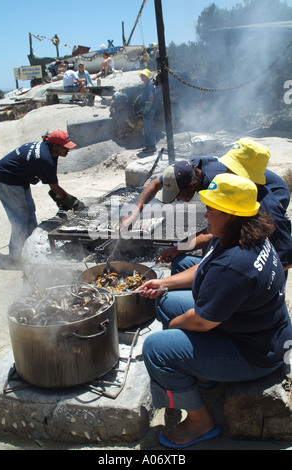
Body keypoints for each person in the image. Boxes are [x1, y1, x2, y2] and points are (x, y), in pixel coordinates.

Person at [139, 173, 292, 448]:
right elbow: (205, 266)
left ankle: (201, 422)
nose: (206, 213)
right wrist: (164, 282)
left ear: (232, 214)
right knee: (164, 300)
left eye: (212, 208)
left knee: (157, 348)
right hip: (252, 327)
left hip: (257, 352)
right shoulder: (239, 234)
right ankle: (206, 374)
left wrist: (175, 327)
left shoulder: (235, 264)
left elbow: (201, 321)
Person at [121, 138, 292, 273]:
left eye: (177, 195)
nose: (177, 200)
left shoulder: (220, 184)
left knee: (247, 235)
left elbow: (215, 231)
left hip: (275, 190)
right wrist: (134, 214)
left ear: (190, 187)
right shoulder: (190, 169)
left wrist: (178, 248)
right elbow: (155, 184)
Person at [0, 130, 84, 267]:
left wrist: (59, 196)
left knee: (30, 211)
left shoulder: (51, 151)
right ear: (55, 146)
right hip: (6, 179)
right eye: (65, 147)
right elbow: (53, 186)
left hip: (19, 179)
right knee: (20, 219)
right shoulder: (44, 157)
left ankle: (30, 248)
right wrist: (72, 201)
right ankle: (15, 257)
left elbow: (52, 181)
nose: (68, 150)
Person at [138, 68, 156, 153]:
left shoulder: (149, 85)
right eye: (141, 76)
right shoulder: (146, 85)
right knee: (147, 128)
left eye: (143, 76)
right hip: (146, 109)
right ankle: (149, 146)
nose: (142, 77)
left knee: (149, 128)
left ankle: (152, 146)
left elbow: (151, 97)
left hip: (148, 109)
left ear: (147, 77)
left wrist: (147, 109)